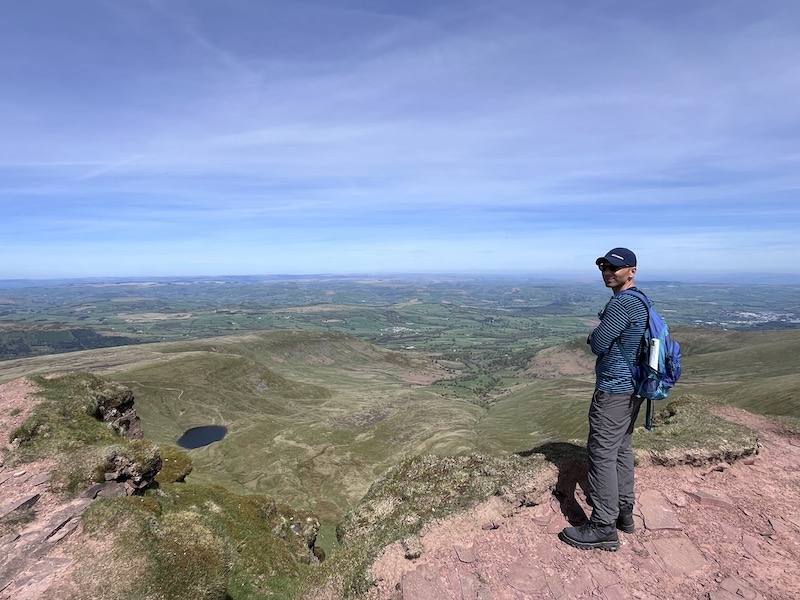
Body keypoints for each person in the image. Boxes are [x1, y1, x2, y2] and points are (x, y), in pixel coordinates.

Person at [559, 247, 648, 551]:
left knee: (601, 454)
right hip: (632, 389)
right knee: (622, 448)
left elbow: (598, 343)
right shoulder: (640, 300)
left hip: (613, 389)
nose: (608, 272)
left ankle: (602, 527)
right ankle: (624, 512)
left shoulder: (622, 303)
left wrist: (593, 336)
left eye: (615, 268)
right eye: (604, 268)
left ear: (631, 271)